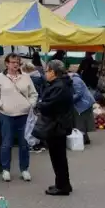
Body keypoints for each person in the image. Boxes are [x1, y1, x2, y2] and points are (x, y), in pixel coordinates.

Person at [0, 53, 38, 182]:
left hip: (24, 115)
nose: (15, 64)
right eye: (12, 62)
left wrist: (30, 104)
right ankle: (6, 169)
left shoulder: (26, 77)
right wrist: (1, 106)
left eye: (17, 62)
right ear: (6, 63)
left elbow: (34, 94)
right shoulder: (0, 78)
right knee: (6, 143)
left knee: (24, 143)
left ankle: (24, 169)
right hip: (6, 115)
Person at [38, 60, 75, 196]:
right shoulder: (61, 84)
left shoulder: (59, 86)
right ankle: (62, 183)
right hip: (59, 124)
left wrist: (40, 105)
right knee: (59, 157)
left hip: (57, 125)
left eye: (47, 71)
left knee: (58, 157)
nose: (45, 74)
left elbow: (49, 105)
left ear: (53, 72)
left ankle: (62, 186)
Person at [21, 62, 46, 153]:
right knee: (37, 124)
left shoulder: (30, 79)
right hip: (41, 102)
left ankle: (32, 144)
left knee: (30, 125)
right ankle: (38, 143)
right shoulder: (41, 76)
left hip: (33, 104)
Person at [70, 73, 96, 145]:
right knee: (81, 122)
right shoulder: (74, 79)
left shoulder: (75, 80)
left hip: (83, 103)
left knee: (79, 122)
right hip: (84, 103)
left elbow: (78, 94)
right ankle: (85, 139)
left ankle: (82, 140)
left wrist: (68, 99)